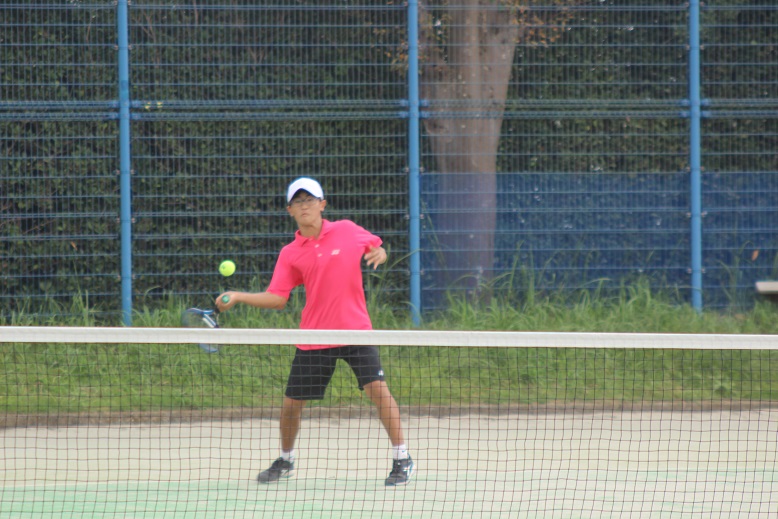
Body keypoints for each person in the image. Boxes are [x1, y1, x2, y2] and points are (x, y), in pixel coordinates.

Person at [215, 177, 414, 486]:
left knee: (378, 391)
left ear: (322, 205)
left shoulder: (347, 230)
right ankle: (285, 460)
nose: (304, 206)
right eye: (298, 202)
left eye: (310, 200)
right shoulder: (290, 253)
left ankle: (402, 458)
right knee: (291, 404)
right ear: (290, 210)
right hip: (315, 336)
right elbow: (278, 298)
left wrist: (381, 253)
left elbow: (377, 247)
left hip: (355, 331)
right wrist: (239, 296)